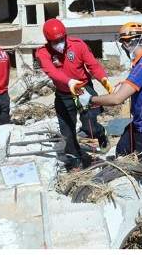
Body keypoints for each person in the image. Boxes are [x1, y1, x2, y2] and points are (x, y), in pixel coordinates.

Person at [77, 22, 142, 206]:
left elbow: (116, 99)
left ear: (129, 42)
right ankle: (129, 180)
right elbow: (141, 82)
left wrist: (90, 100)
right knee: (123, 149)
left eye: (123, 43)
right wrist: (127, 82)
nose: (123, 47)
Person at [35, 18, 112, 170]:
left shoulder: (78, 45)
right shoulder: (42, 53)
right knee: (67, 131)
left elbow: (93, 65)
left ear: (65, 35)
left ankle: (100, 133)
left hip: (83, 90)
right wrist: (69, 82)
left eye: (61, 39)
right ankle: (75, 158)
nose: (59, 43)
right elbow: (51, 71)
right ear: (48, 40)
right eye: (55, 41)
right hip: (64, 94)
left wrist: (103, 79)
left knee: (89, 125)